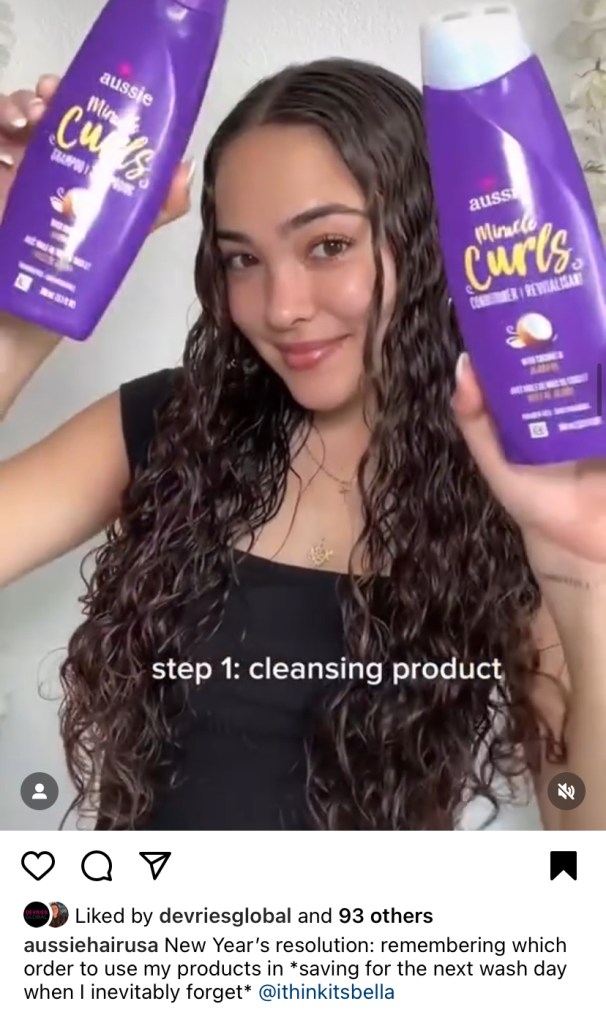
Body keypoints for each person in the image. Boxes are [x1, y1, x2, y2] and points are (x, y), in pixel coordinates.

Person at [1, 61, 605, 833]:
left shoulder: (522, 489)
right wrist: (38, 275)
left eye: (328, 245)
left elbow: (584, 835)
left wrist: (585, 573)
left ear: (428, 234)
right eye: (242, 259)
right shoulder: (171, 425)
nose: (281, 307)